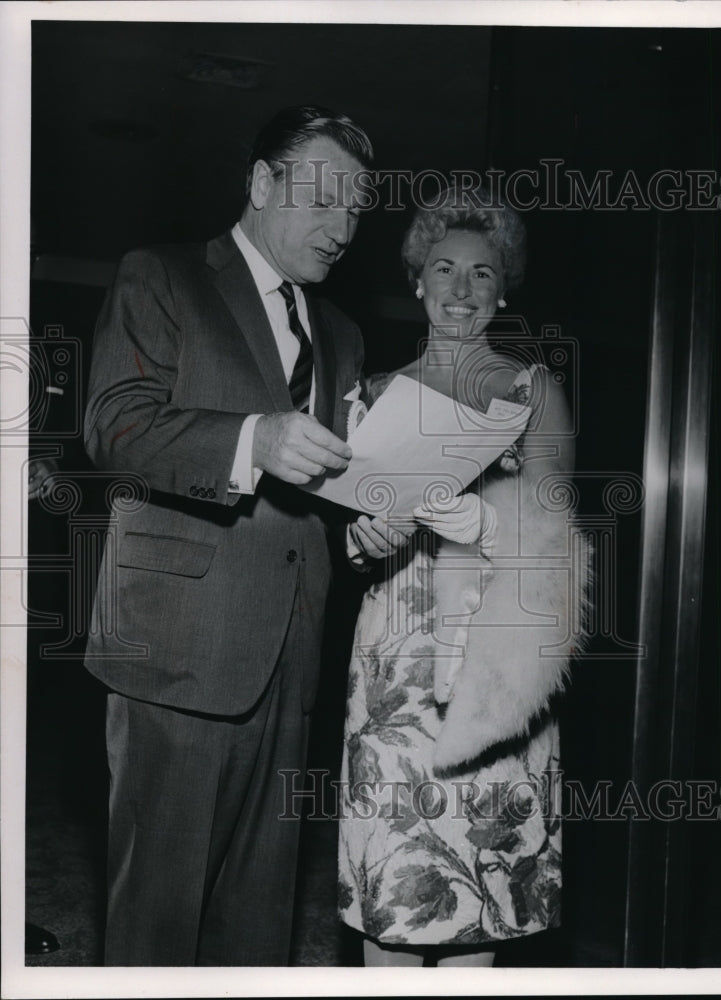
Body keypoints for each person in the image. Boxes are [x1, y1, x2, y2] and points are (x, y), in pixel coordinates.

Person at [83, 105, 388, 966]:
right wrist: (256, 438)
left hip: (291, 664)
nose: (342, 228)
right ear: (261, 184)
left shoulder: (344, 333)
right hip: (176, 652)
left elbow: (329, 482)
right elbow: (114, 427)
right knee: (157, 921)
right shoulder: (163, 277)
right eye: (325, 199)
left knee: (256, 930)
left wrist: (378, 505)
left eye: (358, 209)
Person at [337, 190, 589, 966]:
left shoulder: (532, 391)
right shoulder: (371, 393)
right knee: (393, 893)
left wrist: (479, 521)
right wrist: (360, 536)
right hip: (394, 661)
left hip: (494, 645)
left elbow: (552, 533)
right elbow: (345, 536)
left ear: (503, 288)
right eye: (442, 268)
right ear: (415, 280)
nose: (460, 288)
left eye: (482, 274)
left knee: (479, 891)